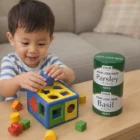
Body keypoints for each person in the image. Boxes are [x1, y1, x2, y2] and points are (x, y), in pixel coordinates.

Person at [0, 0, 75, 100]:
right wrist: (18, 81)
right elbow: (3, 89)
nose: (33, 50)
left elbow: (71, 76)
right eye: (25, 43)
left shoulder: (50, 60)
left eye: (41, 44)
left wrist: (63, 73)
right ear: (11, 39)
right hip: (19, 111)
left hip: (44, 111)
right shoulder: (10, 61)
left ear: (50, 40)